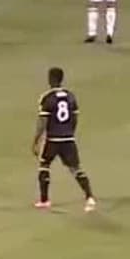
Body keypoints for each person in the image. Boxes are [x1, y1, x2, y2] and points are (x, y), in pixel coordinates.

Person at [32, 66, 96, 212]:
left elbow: (42, 122)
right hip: (68, 138)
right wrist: (69, 132)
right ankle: (89, 197)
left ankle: (44, 200)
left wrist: (36, 140)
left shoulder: (47, 98)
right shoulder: (70, 96)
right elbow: (75, 118)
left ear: (51, 79)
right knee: (76, 168)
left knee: (44, 165)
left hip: (53, 140)